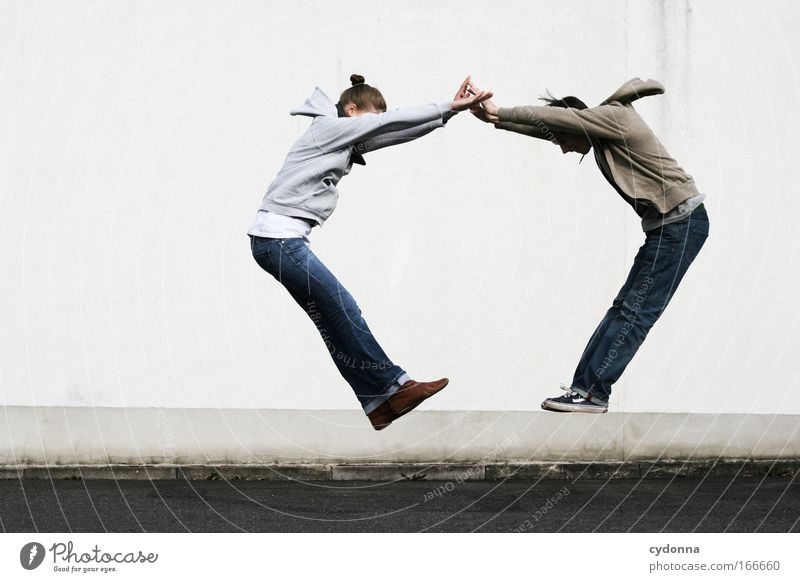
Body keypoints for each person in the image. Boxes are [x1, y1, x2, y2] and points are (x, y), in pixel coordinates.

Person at [249, 74, 492, 429]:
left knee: (334, 323)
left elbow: (394, 133)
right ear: (351, 110)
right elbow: (389, 122)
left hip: (278, 242)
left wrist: (449, 115)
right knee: (344, 308)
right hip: (278, 241)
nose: (373, 126)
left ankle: (378, 403)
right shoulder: (328, 128)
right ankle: (396, 386)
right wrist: (448, 104)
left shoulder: (342, 137)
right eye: (369, 117)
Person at [469, 78, 709, 413]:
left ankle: (594, 392)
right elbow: (551, 128)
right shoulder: (599, 133)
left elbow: (561, 124)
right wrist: (496, 122)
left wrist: (500, 110)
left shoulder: (613, 117)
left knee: (637, 312)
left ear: (576, 124)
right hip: (668, 228)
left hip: (681, 225)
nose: (565, 148)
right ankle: (584, 389)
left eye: (563, 140)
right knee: (624, 308)